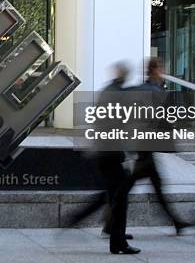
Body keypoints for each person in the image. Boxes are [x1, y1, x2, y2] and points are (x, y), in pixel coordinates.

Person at [66, 62, 140, 255]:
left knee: (112, 195)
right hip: (111, 152)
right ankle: (118, 243)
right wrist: (129, 153)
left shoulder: (107, 91)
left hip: (103, 151)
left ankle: (110, 235)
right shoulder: (119, 95)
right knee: (119, 198)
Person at [130, 57, 190, 235]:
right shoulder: (150, 90)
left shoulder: (151, 89)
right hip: (145, 145)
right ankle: (176, 222)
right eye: (162, 69)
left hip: (145, 146)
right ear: (155, 70)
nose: (164, 73)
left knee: (155, 185)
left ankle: (177, 222)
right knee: (128, 185)